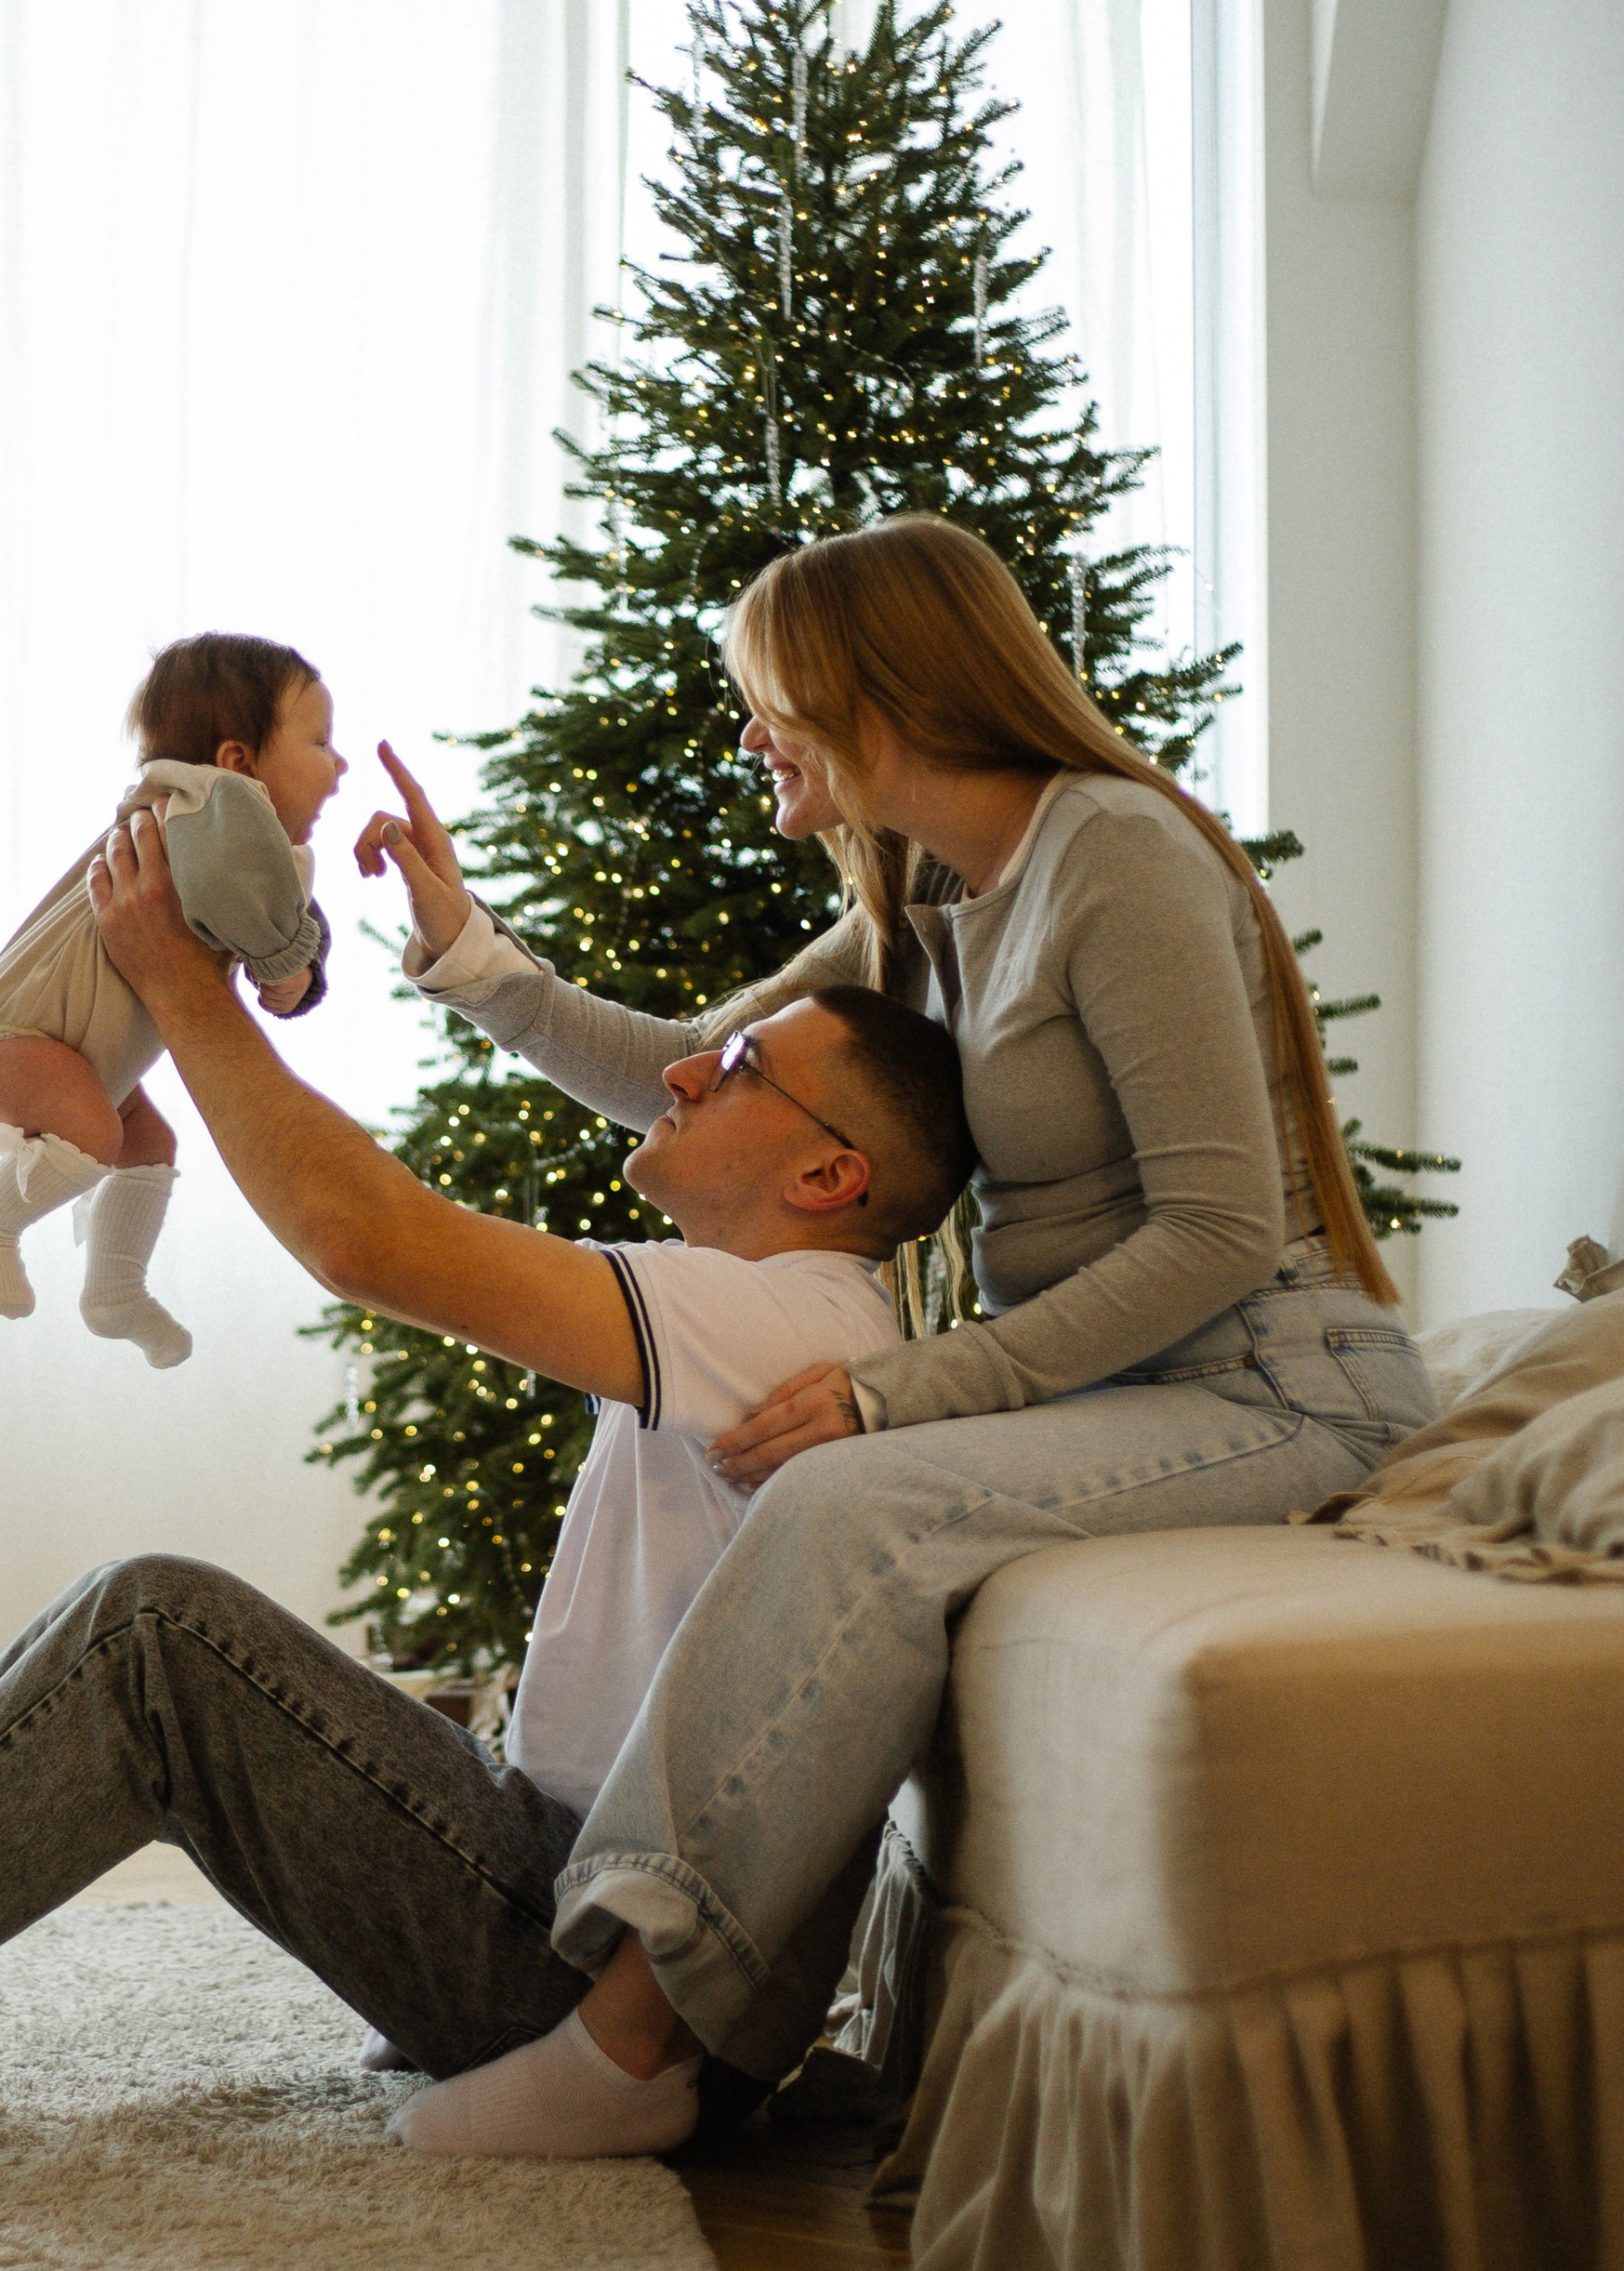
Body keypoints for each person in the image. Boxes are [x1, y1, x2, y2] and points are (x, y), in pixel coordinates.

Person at [0, 835, 974, 2158]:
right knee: (132, 1626)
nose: (693, 1062)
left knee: (157, 1629)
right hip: (544, 1879)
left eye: (750, 1066)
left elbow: (364, 1237)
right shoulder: (773, 1308)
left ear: (832, 1181)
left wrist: (181, 987)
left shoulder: (790, 1314)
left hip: (555, 1959)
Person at [365, 511, 1440, 2113]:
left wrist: (911, 1389)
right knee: (840, 1484)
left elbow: (1218, 1231)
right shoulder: (936, 912)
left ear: (880, 688)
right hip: (1131, 1390)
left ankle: (635, 2040)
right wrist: (471, 956)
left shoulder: (1116, 856)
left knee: (853, 1499)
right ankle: (599, 1972)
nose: (748, 736)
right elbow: (685, 1062)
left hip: (1283, 1381)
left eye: (770, 697)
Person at [0, 631, 344, 1364]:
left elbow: (271, 909)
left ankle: (115, 1292)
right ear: (236, 761)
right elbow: (250, 905)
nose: (340, 766)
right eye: (320, 743)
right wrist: (287, 959)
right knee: (95, 1133)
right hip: (13, 1041)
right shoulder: (199, 809)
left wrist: (294, 972)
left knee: (148, 1143)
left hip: (77, 1054)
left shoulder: (223, 832)